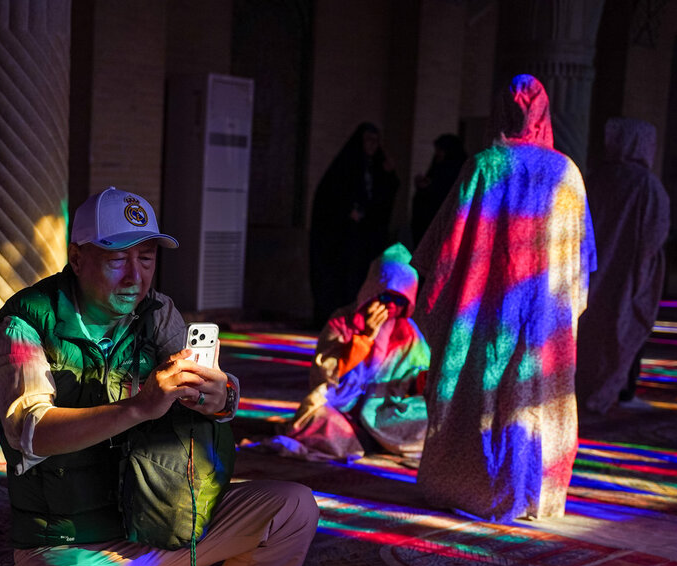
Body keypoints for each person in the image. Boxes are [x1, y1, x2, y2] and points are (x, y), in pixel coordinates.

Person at [0, 187, 320, 566]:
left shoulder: (157, 312)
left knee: (292, 507)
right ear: (77, 257)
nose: (134, 276)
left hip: (154, 520)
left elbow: (198, 385)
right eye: (118, 257)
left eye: (146, 258)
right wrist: (138, 407)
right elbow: (30, 430)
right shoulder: (27, 321)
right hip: (71, 543)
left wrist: (222, 396)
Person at [410, 74, 596, 522]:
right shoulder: (567, 173)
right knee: (533, 396)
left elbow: (443, 251)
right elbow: (580, 261)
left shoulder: (486, 166)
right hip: (544, 316)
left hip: (485, 311)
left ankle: (470, 484)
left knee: (481, 388)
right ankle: (534, 492)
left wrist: (437, 303)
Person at [250, 242, 430, 461]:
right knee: (318, 418)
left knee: (431, 416)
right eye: (386, 297)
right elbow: (325, 374)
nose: (391, 306)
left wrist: (423, 380)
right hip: (343, 410)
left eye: (399, 300)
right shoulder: (343, 322)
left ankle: (379, 438)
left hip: (382, 411)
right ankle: (367, 440)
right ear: (372, 291)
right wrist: (365, 338)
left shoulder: (409, 333)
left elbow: (417, 378)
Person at [576, 118, 670, 413]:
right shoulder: (646, 185)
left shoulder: (595, 178)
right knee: (623, 330)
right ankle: (616, 392)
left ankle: (582, 390)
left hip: (590, 271)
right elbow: (654, 234)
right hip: (627, 273)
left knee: (590, 331)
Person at [308, 122, 400, 328]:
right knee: (343, 280)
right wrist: (346, 211)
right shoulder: (345, 166)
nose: (372, 145)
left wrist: (388, 175)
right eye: (368, 140)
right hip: (343, 238)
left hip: (365, 239)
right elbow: (329, 198)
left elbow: (382, 201)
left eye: (376, 141)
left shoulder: (377, 167)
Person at [410, 133, 467, 249]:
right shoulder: (438, 167)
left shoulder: (457, 170)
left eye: (440, 150)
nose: (437, 154)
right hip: (428, 225)